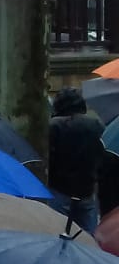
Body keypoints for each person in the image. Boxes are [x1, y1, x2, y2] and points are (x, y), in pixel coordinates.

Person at [48, 87, 103, 233]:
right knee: (88, 238)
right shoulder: (95, 125)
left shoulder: (54, 126)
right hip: (87, 187)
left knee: (57, 232)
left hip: (59, 188)